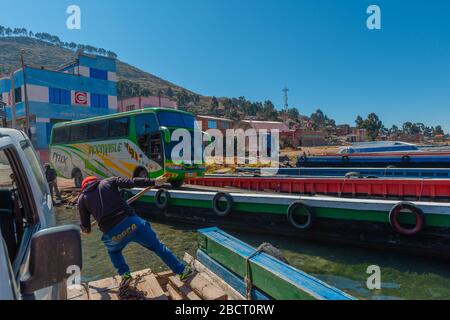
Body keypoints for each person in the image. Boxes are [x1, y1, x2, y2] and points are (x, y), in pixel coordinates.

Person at [77, 175, 193, 286]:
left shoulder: (82, 199)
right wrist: (154, 181)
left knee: (114, 252)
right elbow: (132, 182)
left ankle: (125, 275)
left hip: (113, 234)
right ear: (96, 180)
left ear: (84, 187)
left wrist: (84, 230)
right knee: (158, 247)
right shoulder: (108, 181)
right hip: (132, 224)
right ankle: (182, 271)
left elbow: (86, 230)